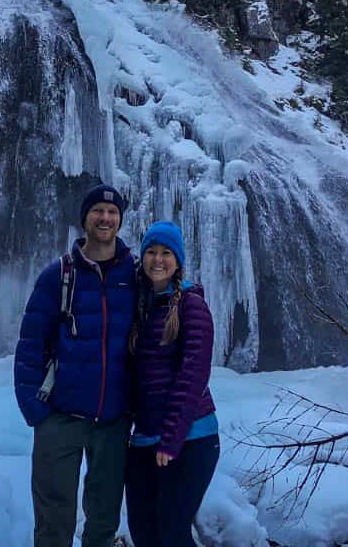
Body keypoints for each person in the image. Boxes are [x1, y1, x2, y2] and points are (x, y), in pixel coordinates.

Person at [13, 184, 138, 547]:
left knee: (103, 520)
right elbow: (30, 343)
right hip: (60, 416)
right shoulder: (59, 275)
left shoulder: (133, 275)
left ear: (119, 220)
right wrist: (34, 410)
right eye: (97, 211)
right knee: (53, 521)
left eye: (112, 212)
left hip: (113, 420)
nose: (105, 218)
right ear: (85, 218)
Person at [124, 221, 219, 547]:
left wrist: (171, 439)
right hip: (144, 439)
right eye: (151, 251)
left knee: (172, 534)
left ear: (178, 261)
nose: (157, 259)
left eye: (166, 252)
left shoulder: (192, 306)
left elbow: (193, 375)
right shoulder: (138, 305)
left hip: (190, 438)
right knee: (144, 533)